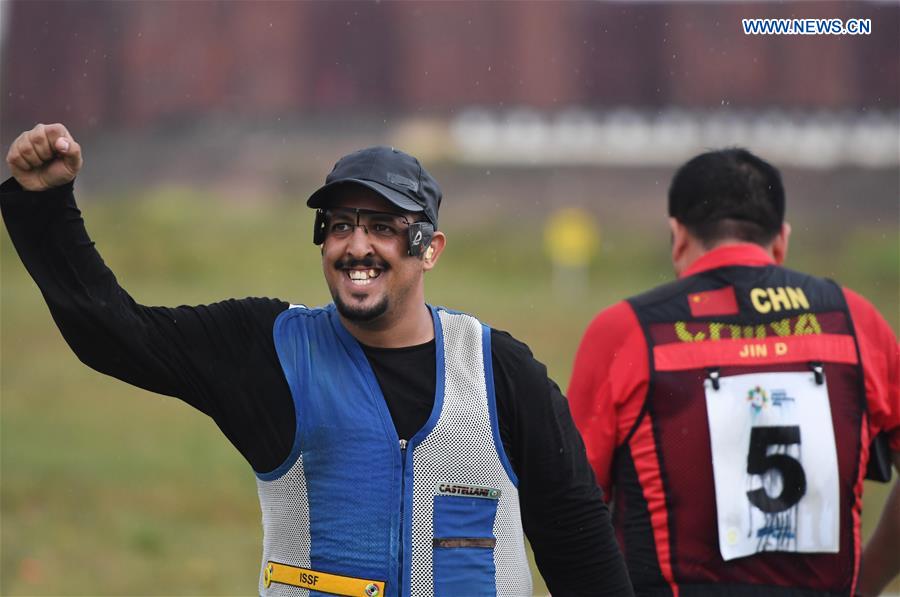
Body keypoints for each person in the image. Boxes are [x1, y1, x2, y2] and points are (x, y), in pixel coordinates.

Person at [2, 123, 633, 596]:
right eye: (338, 225)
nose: (356, 246)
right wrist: (44, 206)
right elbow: (116, 334)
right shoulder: (270, 350)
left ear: (429, 247)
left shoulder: (501, 370)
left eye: (383, 226)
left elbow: (579, 546)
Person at [568, 148, 899, 596]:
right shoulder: (856, 321)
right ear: (781, 239)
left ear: (678, 237)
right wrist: (867, 581)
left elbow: (569, 503)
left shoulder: (626, 330)